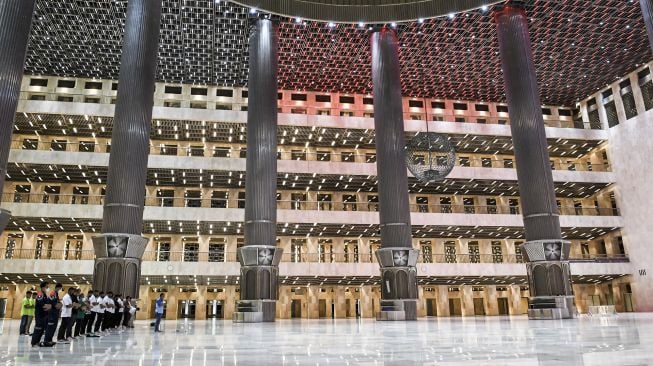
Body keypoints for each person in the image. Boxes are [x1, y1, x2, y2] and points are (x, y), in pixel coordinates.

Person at [30, 281, 56, 347]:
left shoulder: (45, 295)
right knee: (38, 328)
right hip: (39, 314)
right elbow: (42, 304)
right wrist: (48, 306)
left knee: (41, 329)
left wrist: (49, 306)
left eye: (48, 287)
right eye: (47, 287)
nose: (47, 288)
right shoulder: (40, 294)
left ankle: (37, 342)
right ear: (43, 287)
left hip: (44, 314)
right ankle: (34, 342)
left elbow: (48, 304)